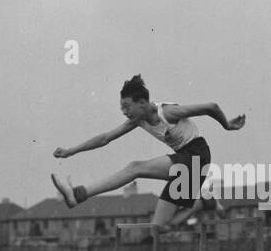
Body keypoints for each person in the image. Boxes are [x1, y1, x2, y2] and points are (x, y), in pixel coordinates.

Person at [51, 74, 245, 228]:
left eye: (127, 106)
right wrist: (70, 151)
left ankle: (78, 195)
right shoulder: (139, 120)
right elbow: (105, 138)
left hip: (196, 154)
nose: (124, 112)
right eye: (122, 108)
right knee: (158, 227)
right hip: (188, 163)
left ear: (142, 102)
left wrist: (227, 125)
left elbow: (212, 107)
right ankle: (204, 203)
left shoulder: (167, 113)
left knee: (135, 167)